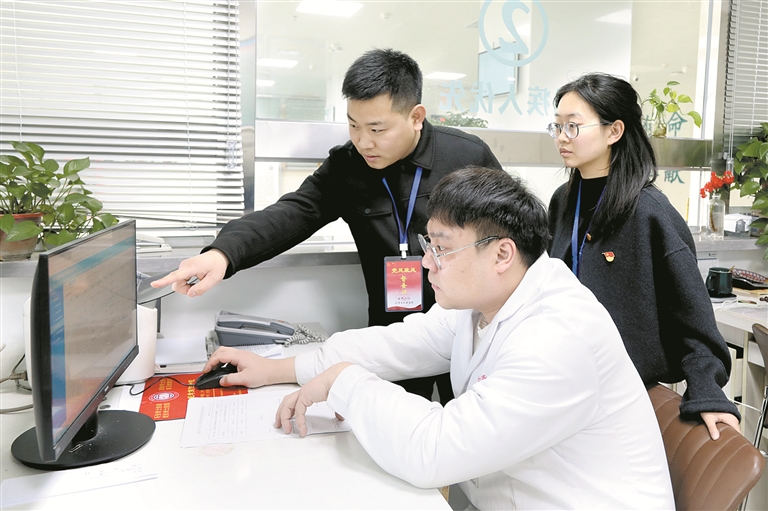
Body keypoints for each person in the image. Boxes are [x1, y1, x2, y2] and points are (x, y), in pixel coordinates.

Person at [204, 167, 675, 510]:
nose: (427, 263)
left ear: (502, 254)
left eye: (442, 249)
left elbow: (434, 450)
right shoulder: (489, 300)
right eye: (428, 245)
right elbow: (397, 344)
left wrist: (343, 381)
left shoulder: (558, 336)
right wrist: (277, 368)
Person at [151, 48, 501, 405]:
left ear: (416, 117)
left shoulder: (466, 157)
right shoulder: (348, 165)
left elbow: (512, 244)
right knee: (386, 424)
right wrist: (222, 254)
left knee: (471, 421)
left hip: (466, 323)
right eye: (353, 125)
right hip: (391, 329)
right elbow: (293, 212)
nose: (363, 141)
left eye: (377, 129)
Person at [546, 73, 740, 440]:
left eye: (573, 126)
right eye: (557, 126)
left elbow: (694, 322)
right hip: (565, 380)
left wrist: (707, 391)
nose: (561, 137)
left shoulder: (650, 212)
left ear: (614, 131)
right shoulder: (562, 201)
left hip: (621, 397)